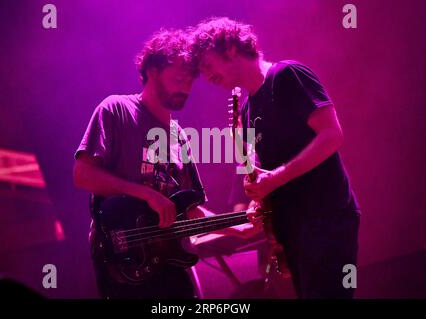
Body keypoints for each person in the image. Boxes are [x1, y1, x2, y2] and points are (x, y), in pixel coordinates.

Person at [73, 29, 261, 299]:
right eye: (178, 78)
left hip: (169, 266)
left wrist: (238, 229)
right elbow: (82, 175)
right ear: (152, 71)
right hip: (125, 259)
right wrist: (147, 194)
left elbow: (190, 211)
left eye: (190, 80)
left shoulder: (179, 137)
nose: (185, 87)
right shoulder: (115, 109)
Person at [190, 17, 360, 299]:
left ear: (230, 48)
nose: (207, 76)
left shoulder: (287, 75)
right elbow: (268, 173)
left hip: (326, 219)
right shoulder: (247, 110)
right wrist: (259, 199)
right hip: (294, 226)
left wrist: (276, 178)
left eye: (207, 65)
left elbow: (332, 135)